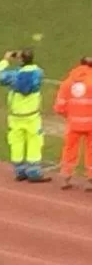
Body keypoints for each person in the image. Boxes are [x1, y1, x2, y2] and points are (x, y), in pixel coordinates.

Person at [0, 49, 50, 183]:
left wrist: (5, 60)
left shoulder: (13, 76)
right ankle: (34, 172)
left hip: (16, 116)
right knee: (34, 143)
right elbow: (36, 69)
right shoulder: (38, 73)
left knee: (16, 143)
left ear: (20, 60)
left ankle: (20, 170)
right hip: (32, 116)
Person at [54, 56, 92, 190]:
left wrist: (70, 116)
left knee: (69, 150)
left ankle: (65, 178)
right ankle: (90, 181)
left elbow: (59, 107)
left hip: (73, 123)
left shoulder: (68, 82)